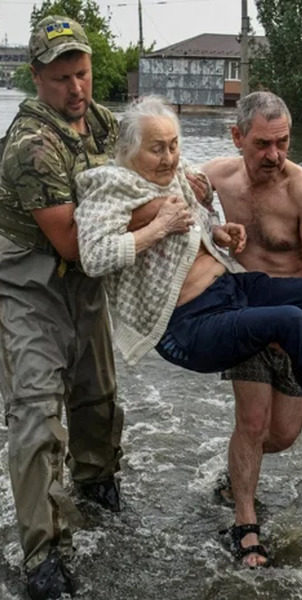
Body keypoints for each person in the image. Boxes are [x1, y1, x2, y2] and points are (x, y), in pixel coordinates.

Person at [74, 94, 302, 557]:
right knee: (258, 405)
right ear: (238, 138)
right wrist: (160, 224)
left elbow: (202, 223)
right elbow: (96, 255)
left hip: (237, 294)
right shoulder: (118, 184)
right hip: (191, 323)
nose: (169, 157)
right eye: (157, 148)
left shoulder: (274, 187)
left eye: (173, 145)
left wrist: (219, 233)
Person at [0, 16, 124, 600]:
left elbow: (146, 156)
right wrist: (154, 218)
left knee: (97, 394)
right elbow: (73, 241)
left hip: (82, 283)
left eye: (83, 73)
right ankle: (44, 554)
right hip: (28, 285)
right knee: (36, 414)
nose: (77, 89)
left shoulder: (97, 119)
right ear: (36, 77)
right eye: (61, 79)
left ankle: (99, 486)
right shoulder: (31, 145)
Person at [198, 91, 302, 567]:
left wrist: (301, 327)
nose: (274, 155)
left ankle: (232, 478)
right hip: (245, 316)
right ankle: (245, 524)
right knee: (253, 424)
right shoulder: (217, 177)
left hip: (295, 324)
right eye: (262, 144)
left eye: (283, 142)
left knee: (283, 434)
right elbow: (170, 188)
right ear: (237, 137)